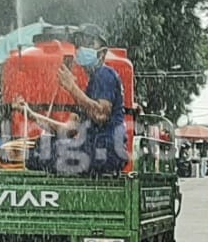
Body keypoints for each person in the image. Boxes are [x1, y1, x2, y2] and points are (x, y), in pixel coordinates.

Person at [15, 24, 128, 175]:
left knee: (42, 153)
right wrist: (30, 113)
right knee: (43, 146)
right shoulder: (91, 86)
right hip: (95, 150)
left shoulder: (104, 74)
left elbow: (101, 115)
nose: (82, 48)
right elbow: (67, 130)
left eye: (89, 43)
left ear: (103, 53)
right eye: (80, 43)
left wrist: (71, 87)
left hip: (105, 151)